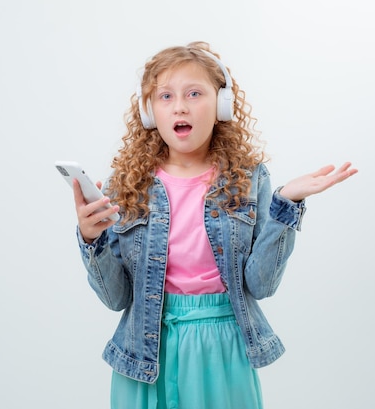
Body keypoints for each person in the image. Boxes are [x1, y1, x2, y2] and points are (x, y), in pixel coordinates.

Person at [70, 41, 357, 409]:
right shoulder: (126, 184)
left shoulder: (248, 178)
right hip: (143, 349)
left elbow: (261, 285)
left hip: (222, 345)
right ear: (148, 111)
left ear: (222, 104)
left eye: (194, 93)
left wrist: (288, 204)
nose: (180, 106)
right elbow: (116, 298)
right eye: (165, 96)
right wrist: (91, 239)